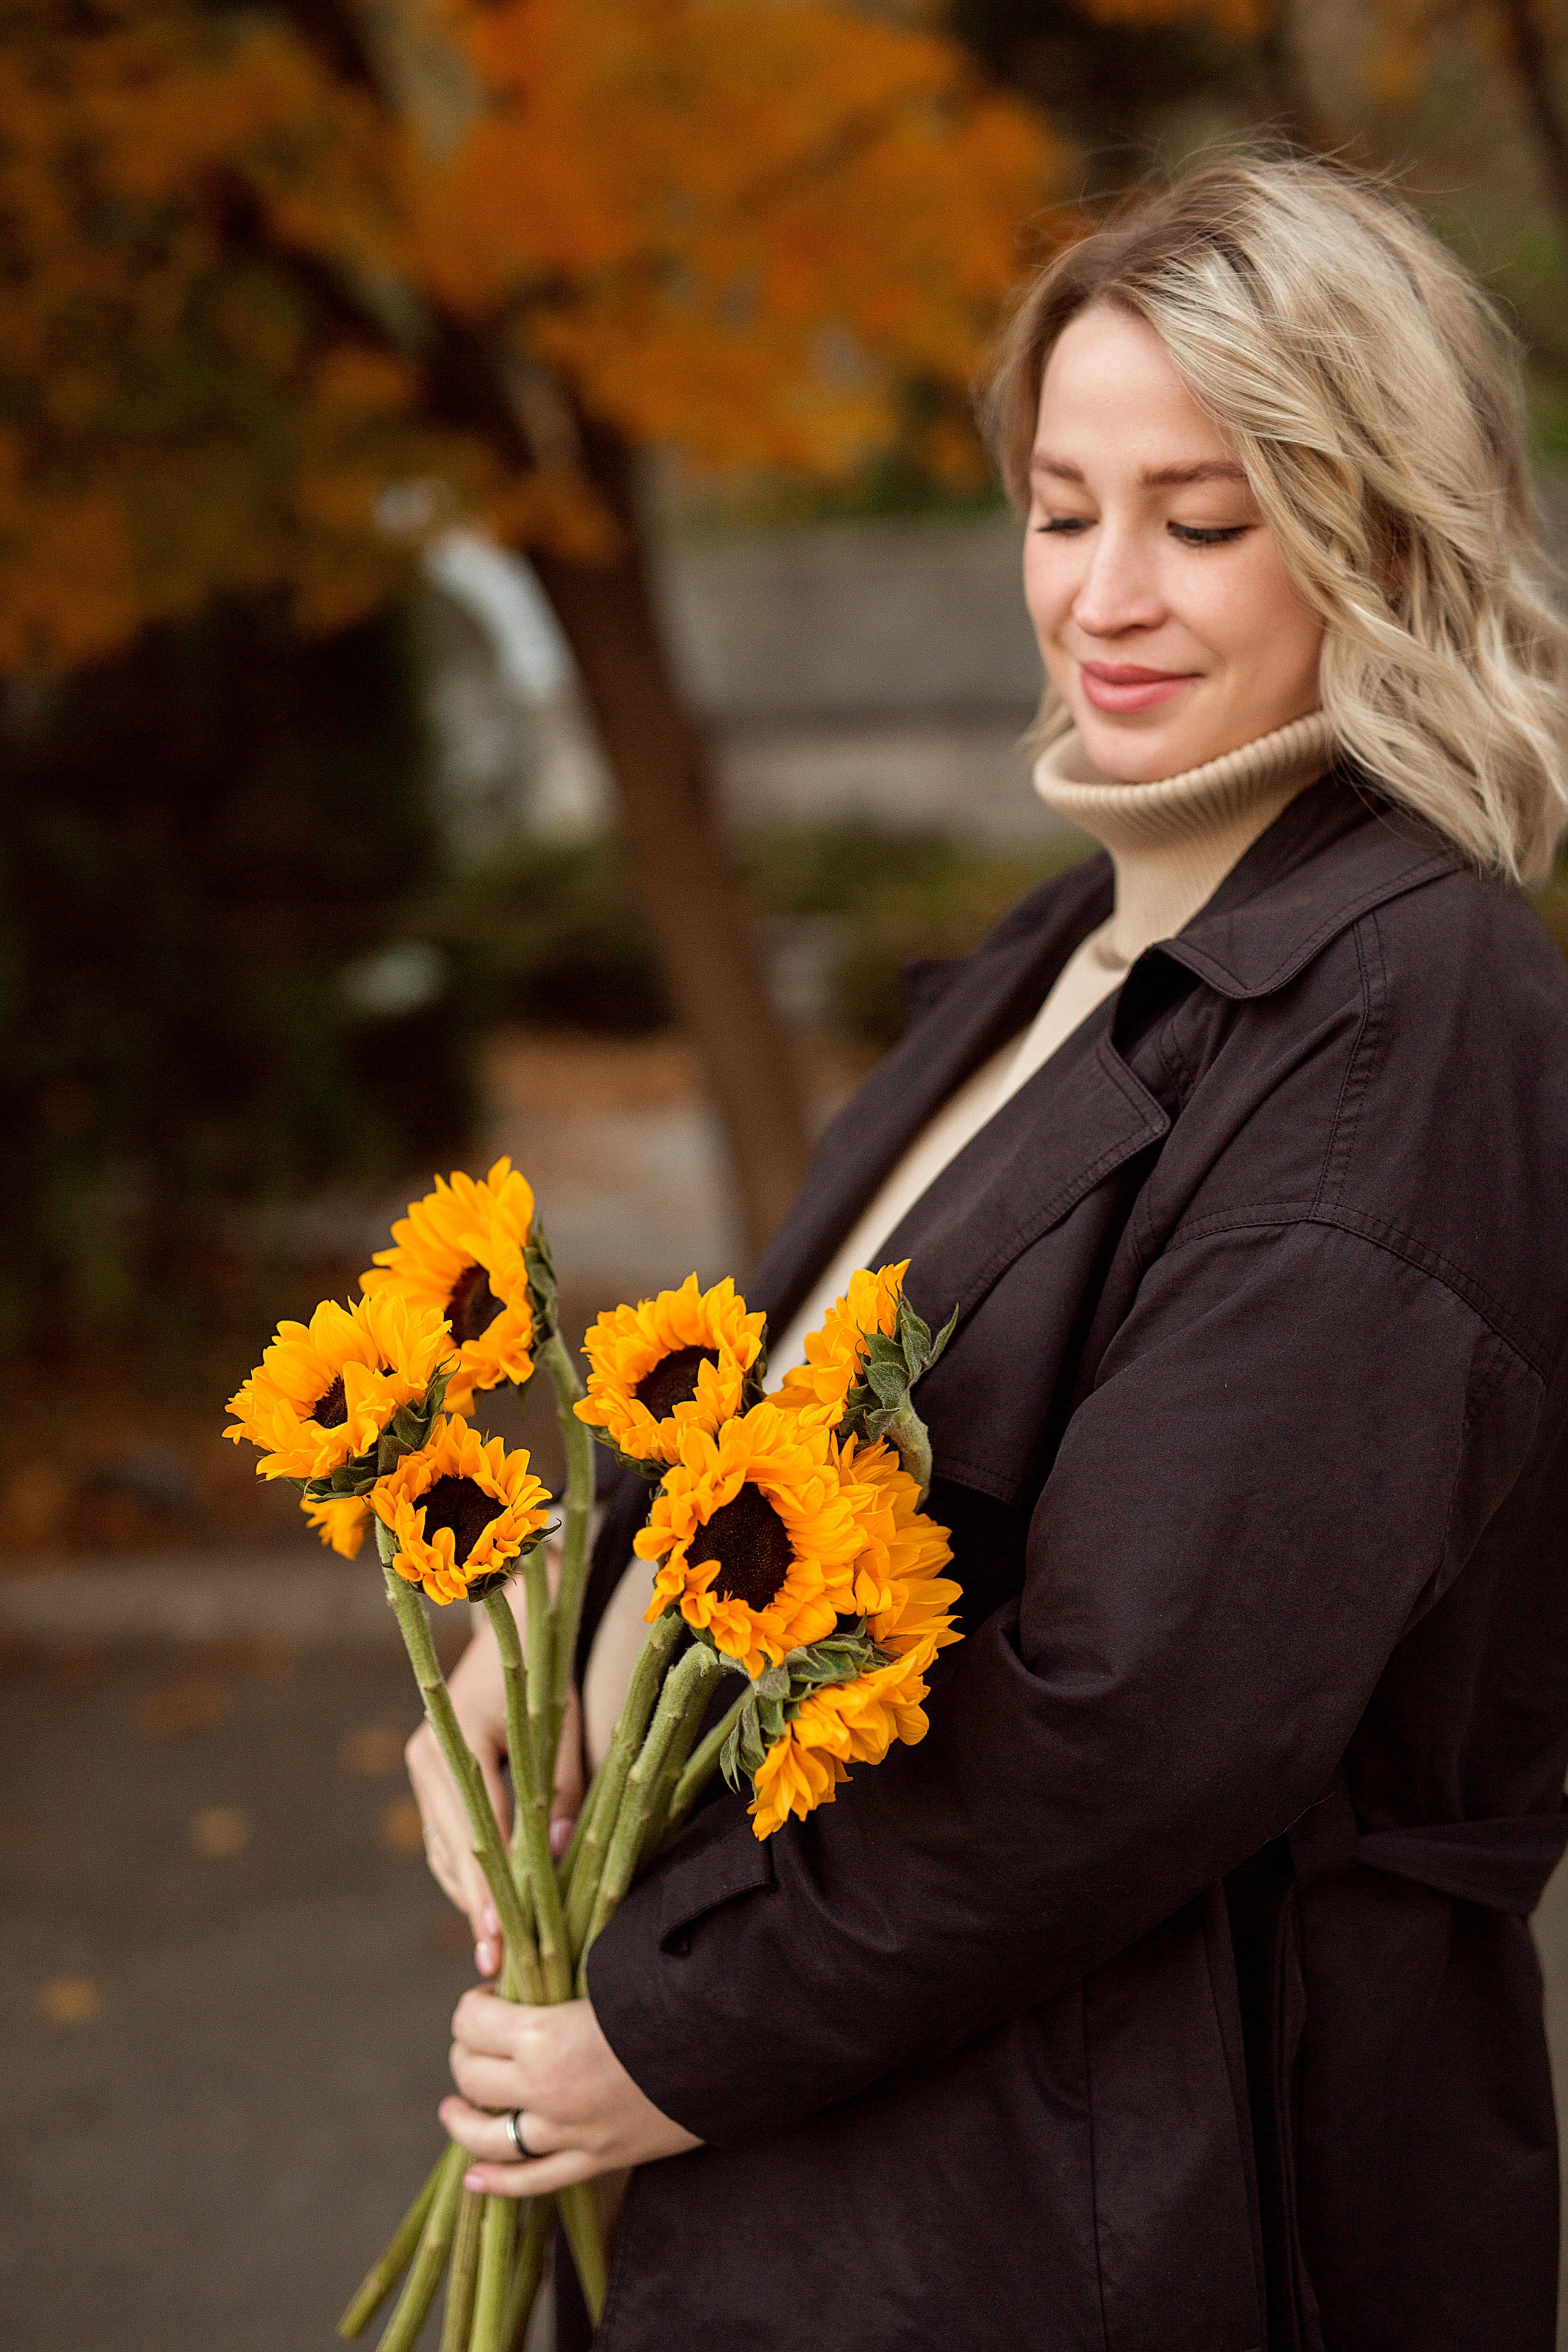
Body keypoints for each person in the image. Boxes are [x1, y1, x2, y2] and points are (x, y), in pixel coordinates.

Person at [407, 154, 1568, 2350]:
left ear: (1383, 529)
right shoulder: (1089, 941)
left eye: (1205, 521)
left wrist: (667, 2035)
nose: (1105, 593)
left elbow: (1143, 1718)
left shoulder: (1404, 1015)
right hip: (873, 2156)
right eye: (1062, 508)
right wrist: (549, 1651)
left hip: (1118, 2199)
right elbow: (795, 1399)